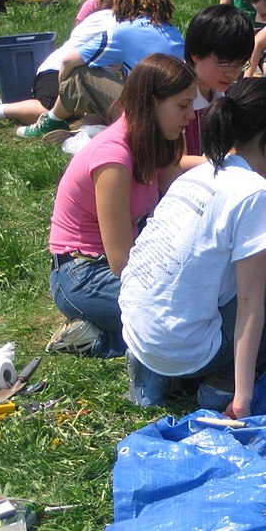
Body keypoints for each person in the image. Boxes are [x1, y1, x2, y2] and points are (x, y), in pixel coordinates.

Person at [119, 77, 266, 417]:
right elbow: (250, 305)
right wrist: (241, 399)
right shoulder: (253, 191)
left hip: (138, 333)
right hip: (184, 348)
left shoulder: (195, 175)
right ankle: (219, 381)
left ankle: (156, 377)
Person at [44, 54, 197, 358]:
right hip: (82, 273)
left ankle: (111, 330)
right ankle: (94, 339)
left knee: (196, 302)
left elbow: (179, 186)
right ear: (152, 103)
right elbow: (121, 261)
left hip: (113, 266)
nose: (190, 116)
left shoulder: (151, 140)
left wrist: (239, 166)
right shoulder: (113, 159)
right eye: (182, 106)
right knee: (183, 315)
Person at [17, 0, 184, 139]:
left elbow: (69, 60)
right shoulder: (173, 31)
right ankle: (89, 128)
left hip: (145, 116)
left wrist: (64, 89)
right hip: (174, 113)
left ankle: (53, 119)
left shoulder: (122, 31)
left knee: (81, 72)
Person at [0, 0, 124, 131]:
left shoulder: (110, 18)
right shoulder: (112, 22)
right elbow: (70, 59)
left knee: (77, 110)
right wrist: (65, 90)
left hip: (76, 73)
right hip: (58, 70)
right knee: (52, 111)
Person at [180, 4, 254, 168]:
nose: (231, 73)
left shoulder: (223, 92)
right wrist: (240, 162)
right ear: (196, 54)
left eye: (240, 64)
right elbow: (175, 165)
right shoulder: (175, 95)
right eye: (224, 64)